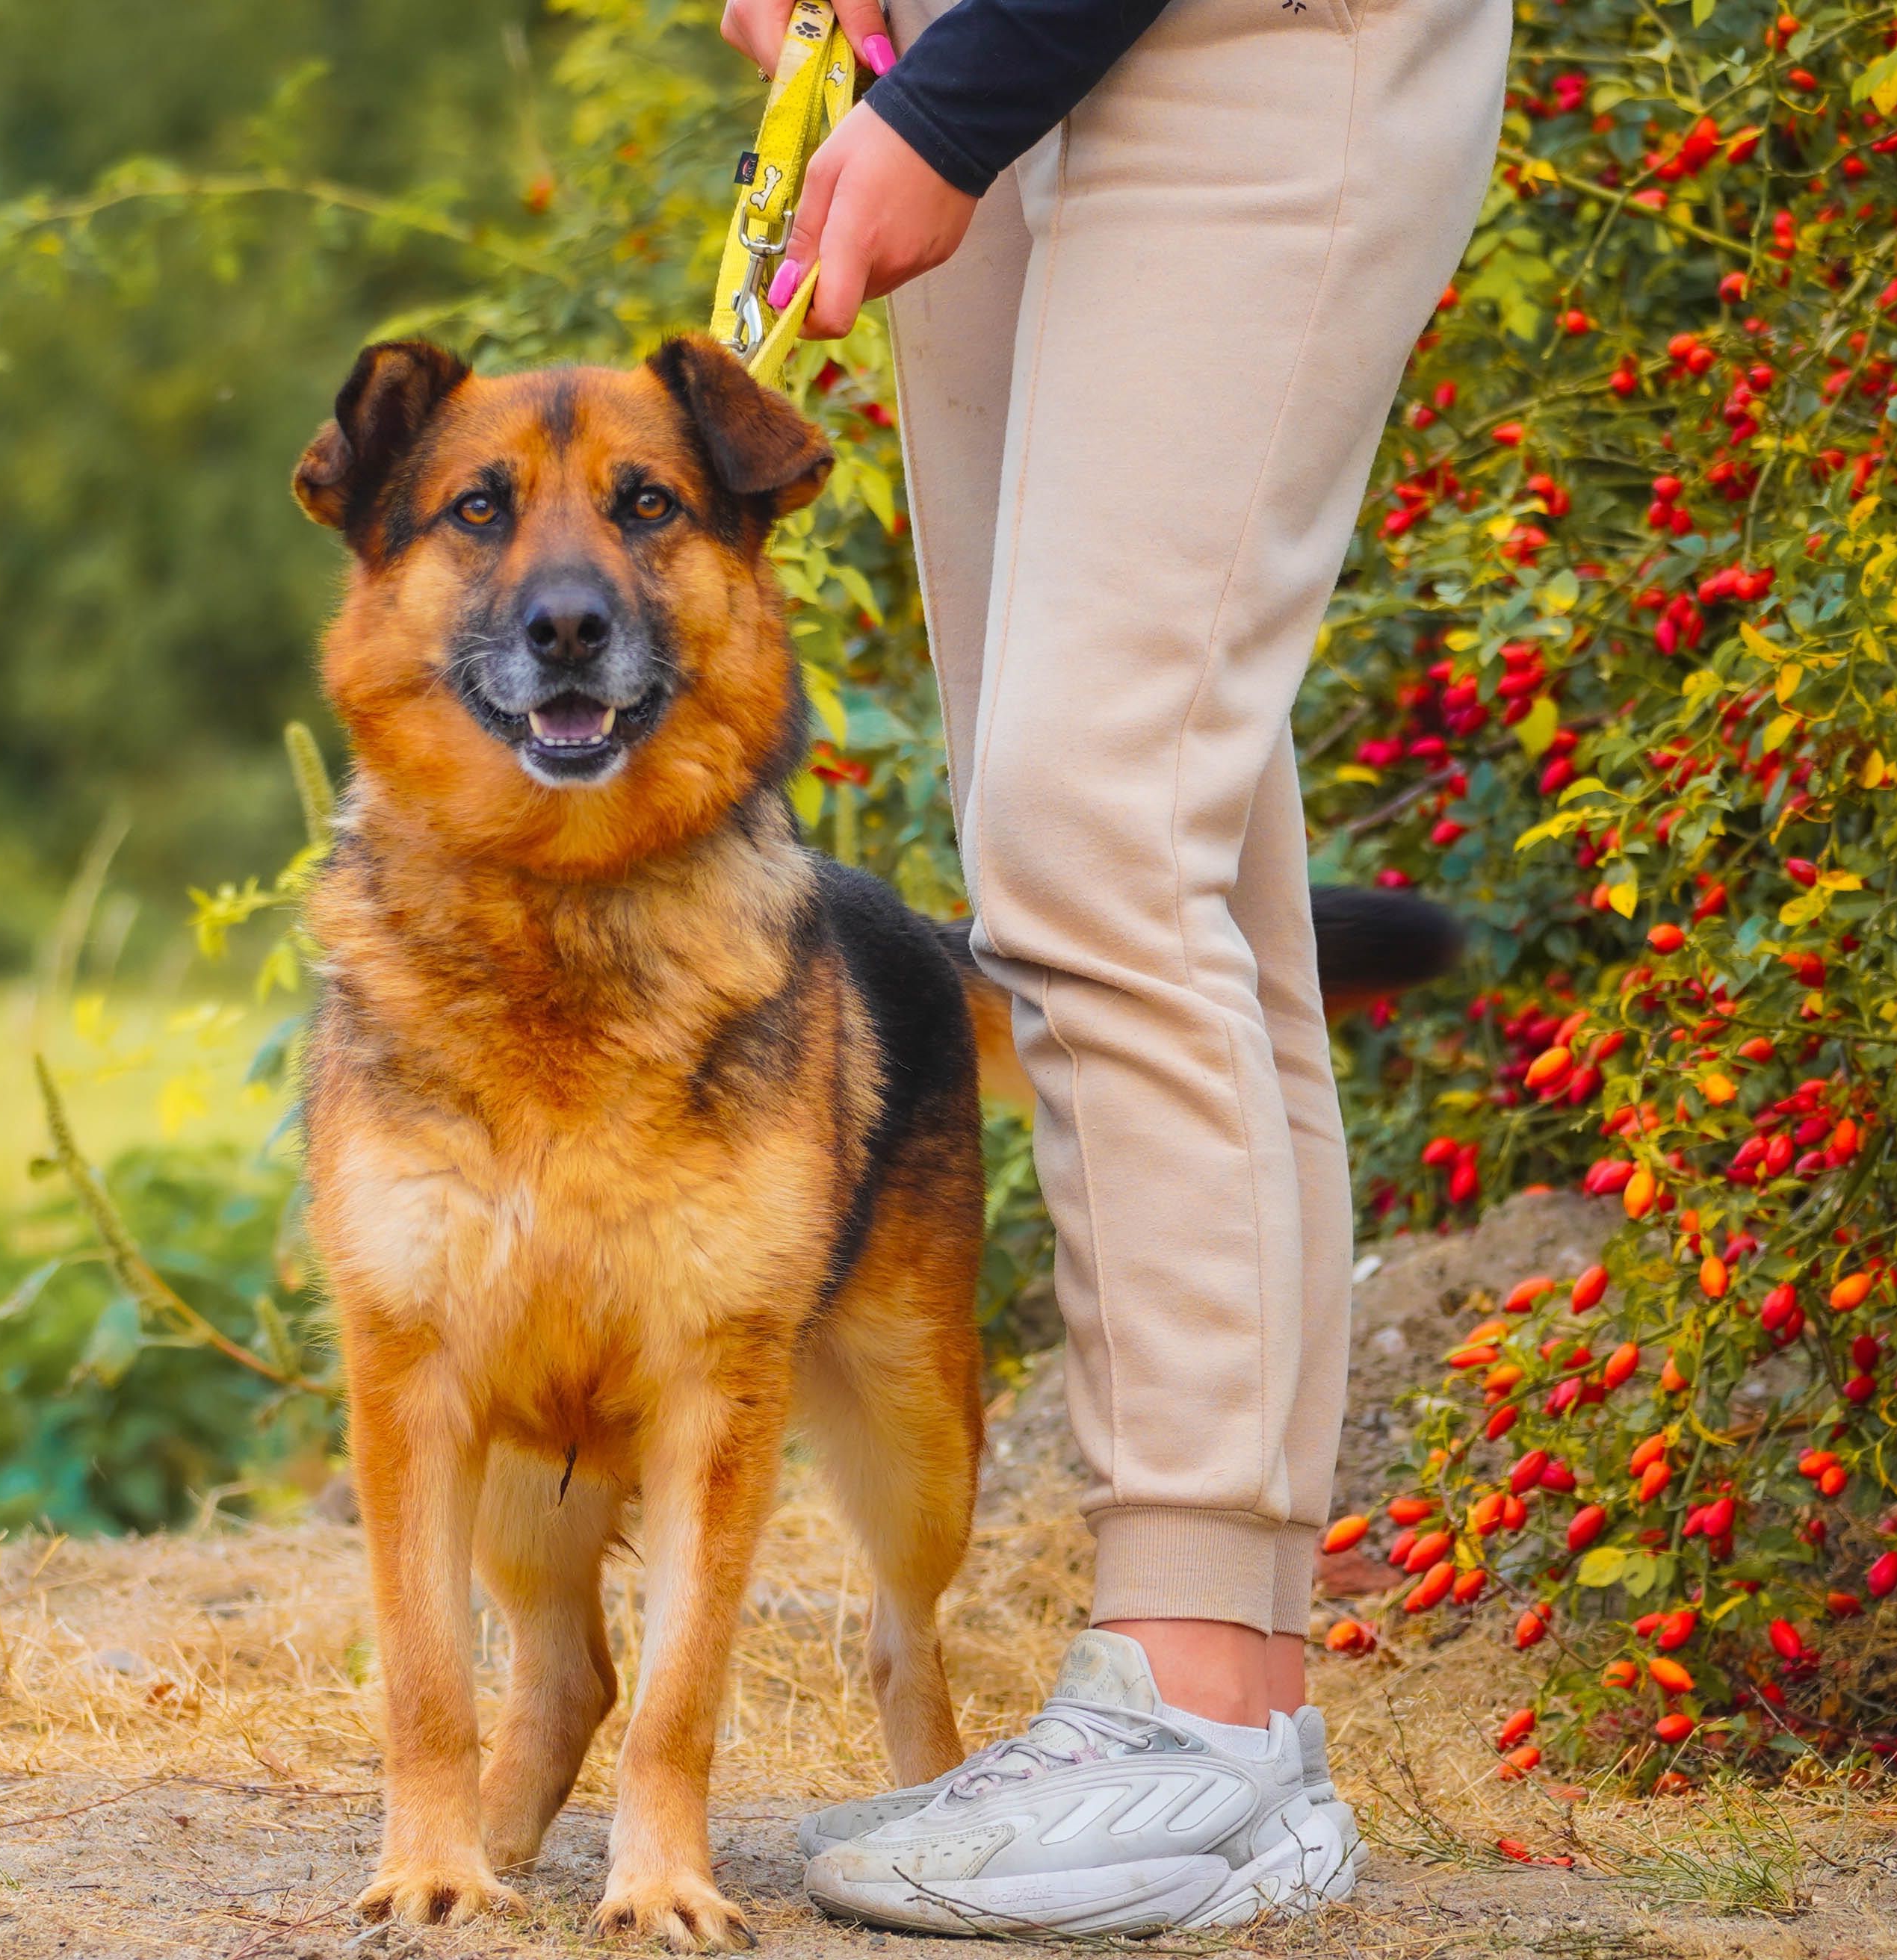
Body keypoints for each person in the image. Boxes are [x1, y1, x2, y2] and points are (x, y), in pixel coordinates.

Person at [719, 0, 1509, 1934]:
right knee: (1179, 865)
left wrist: (954, 108)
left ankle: (1184, 1707)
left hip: (1244, 37)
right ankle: (1246, 1728)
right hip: (995, 55)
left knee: (1096, 833)